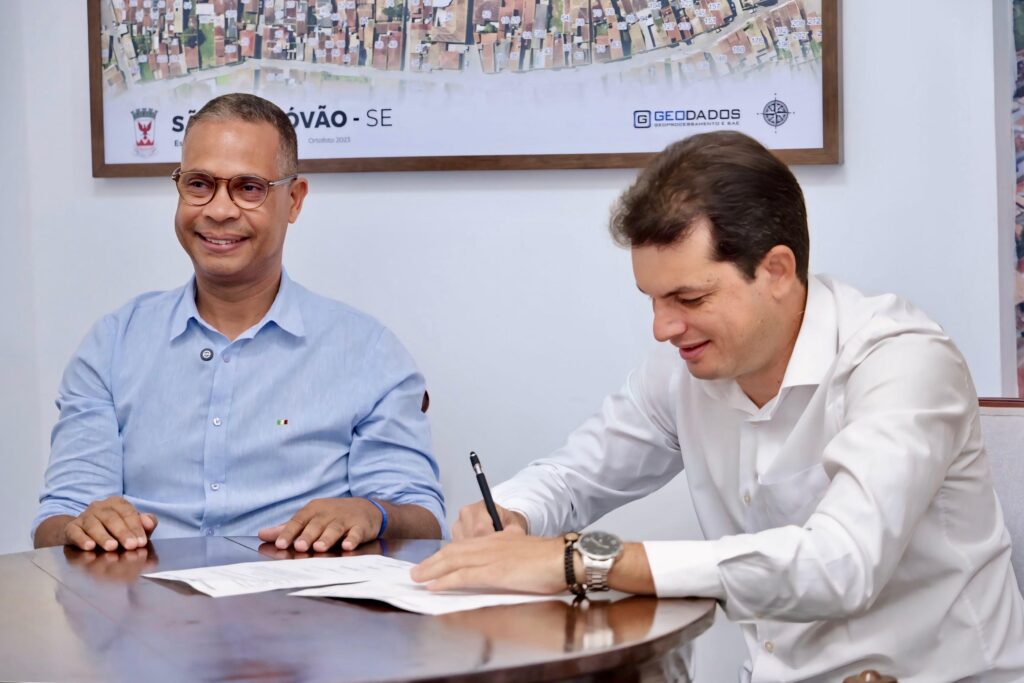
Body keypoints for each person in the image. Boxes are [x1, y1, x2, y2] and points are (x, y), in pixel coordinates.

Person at [413, 132, 1024, 681]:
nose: (662, 328)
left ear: (776, 270)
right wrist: (512, 513)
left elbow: (840, 564)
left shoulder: (903, 360)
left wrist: (582, 562)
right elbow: (574, 475)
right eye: (652, 299)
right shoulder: (684, 369)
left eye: (688, 298)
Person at [33, 93, 444, 553]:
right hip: (143, 593)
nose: (219, 210)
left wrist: (375, 514)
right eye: (199, 184)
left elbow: (424, 521)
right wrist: (80, 525)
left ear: (294, 200)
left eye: (249, 188)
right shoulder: (113, 344)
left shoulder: (367, 352)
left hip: (301, 595)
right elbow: (58, 518)